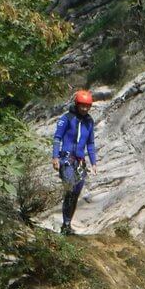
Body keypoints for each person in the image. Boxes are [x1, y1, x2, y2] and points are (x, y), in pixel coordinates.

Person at [52, 89, 97, 235]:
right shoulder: (67, 118)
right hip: (66, 159)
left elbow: (90, 143)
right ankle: (65, 223)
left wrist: (93, 162)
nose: (84, 109)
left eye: (87, 106)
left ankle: (68, 225)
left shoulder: (89, 121)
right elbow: (57, 138)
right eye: (82, 105)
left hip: (80, 161)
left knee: (77, 192)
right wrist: (55, 157)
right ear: (77, 104)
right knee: (70, 189)